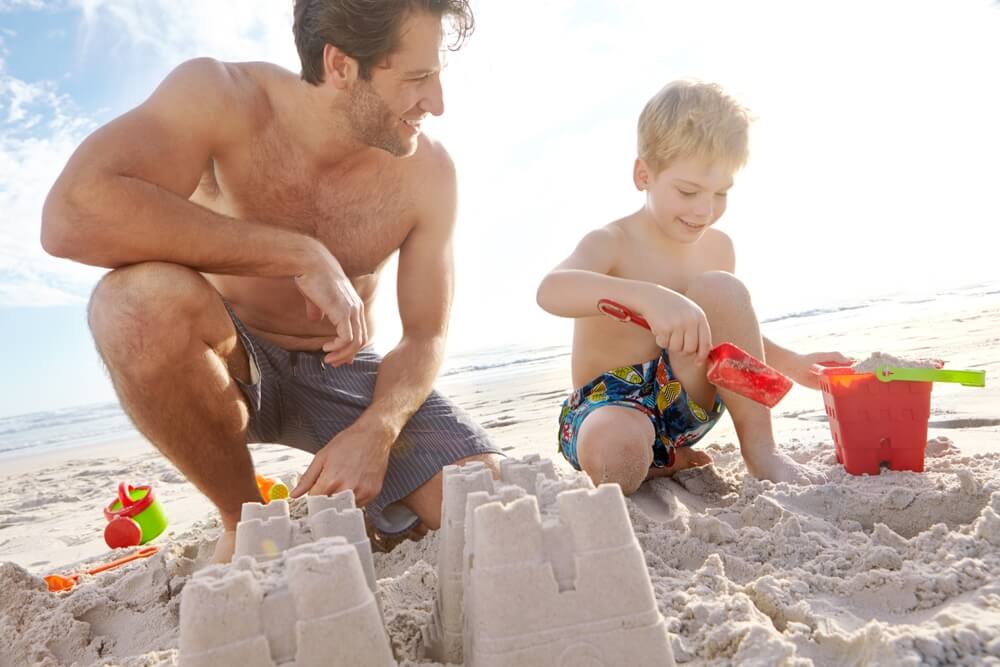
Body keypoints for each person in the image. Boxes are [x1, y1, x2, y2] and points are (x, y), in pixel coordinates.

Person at [40, 0, 500, 560]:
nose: (438, 103)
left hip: (344, 372)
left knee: (488, 501)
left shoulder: (429, 174)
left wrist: (377, 430)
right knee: (131, 305)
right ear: (339, 66)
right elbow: (71, 215)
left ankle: (379, 508)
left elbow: (425, 334)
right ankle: (245, 520)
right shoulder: (221, 96)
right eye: (417, 78)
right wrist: (296, 254)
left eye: (437, 75)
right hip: (225, 358)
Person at [536, 80, 849, 494]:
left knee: (721, 289)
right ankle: (654, 459)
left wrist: (793, 363)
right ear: (643, 174)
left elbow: (730, 336)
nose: (705, 210)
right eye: (688, 191)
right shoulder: (612, 242)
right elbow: (551, 290)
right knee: (618, 460)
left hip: (689, 405)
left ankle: (762, 450)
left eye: (721, 193)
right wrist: (646, 296)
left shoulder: (718, 248)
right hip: (610, 406)